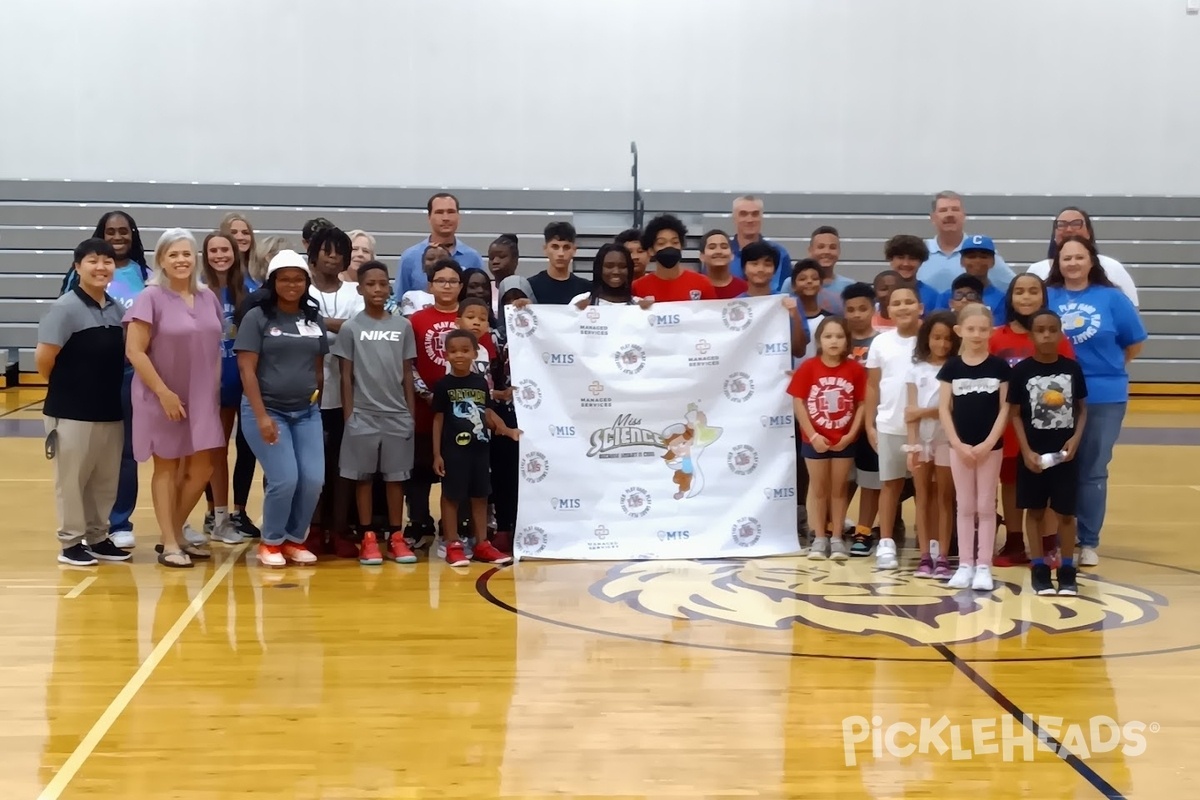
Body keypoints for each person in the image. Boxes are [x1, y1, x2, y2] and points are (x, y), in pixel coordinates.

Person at [124, 229, 225, 568]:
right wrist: (164, 393)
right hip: (160, 395)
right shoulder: (149, 297)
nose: (181, 260)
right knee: (166, 465)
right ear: (162, 261)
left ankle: (176, 531)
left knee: (203, 466)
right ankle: (169, 542)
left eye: (187, 253)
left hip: (201, 396)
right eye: (174, 254)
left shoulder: (208, 296)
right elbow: (135, 351)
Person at [1045, 235, 1146, 567]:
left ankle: (1088, 540)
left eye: (1079, 257)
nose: (1072, 263)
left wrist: (1108, 371)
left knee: (1092, 469)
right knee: (1057, 467)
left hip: (1104, 395)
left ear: (1092, 261)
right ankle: (1057, 536)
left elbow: (1133, 343)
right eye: (1066, 258)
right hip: (1055, 394)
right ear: (1057, 264)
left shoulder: (1112, 299)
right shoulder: (1048, 296)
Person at [37, 238, 132, 566]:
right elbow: (44, 360)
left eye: (107, 261)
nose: (101, 267)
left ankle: (98, 536)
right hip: (70, 412)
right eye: (93, 261)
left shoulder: (118, 309)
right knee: (72, 480)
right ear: (78, 267)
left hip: (109, 410)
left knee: (104, 480)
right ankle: (70, 543)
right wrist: (70, 389)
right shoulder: (64, 308)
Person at [62, 211, 149, 551]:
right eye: (110, 231)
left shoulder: (145, 274)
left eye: (123, 231)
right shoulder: (79, 276)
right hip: (92, 376)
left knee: (125, 452)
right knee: (86, 455)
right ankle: (82, 528)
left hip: (131, 373)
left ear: (133, 235)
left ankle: (119, 521)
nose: (117, 236)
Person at [235, 250, 327, 568]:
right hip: (267, 410)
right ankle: (271, 542)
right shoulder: (257, 318)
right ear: (273, 282)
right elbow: (247, 370)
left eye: (298, 278)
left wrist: (315, 400)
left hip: (306, 412)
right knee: (285, 479)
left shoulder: (313, 319)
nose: (292, 284)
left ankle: (293, 540)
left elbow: (318, 366)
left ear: (306, 282)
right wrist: (261, 416)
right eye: (285, 278)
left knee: (313, 480)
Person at [332, 260, 418, 566]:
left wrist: (410, 413)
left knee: (395, 480)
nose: (378, 289)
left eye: (383, 283)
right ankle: (368, 537)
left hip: (397, 415)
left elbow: (408, 373)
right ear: (360, 289)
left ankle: (396, 536)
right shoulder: (352, 328)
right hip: (363, 416)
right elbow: (346, 376)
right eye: (371, 284)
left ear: (390, 287)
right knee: (364, 479)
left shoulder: (403, 326)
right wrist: (349, 416)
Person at [989, 273, 1076, 567]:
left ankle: (1049, 543)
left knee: (1049, 484)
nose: (1026, 297)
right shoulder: (996, 337)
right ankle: (1014, 542)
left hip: (1048, 427)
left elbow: (1069, 382)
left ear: (1043, 297)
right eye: (1019, 292)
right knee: (1011, 483)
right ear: (1011, 298)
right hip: (1010, 427)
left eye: (1033, 291)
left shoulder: (1054, 336)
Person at [1008, 310, 1088, 597]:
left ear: (1060, 333)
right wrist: (1026, 450)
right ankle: (1039, 567)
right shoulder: (1021, 371)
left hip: (1065, 454)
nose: (1046, 335)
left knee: (1066, 512)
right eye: (1040, 330)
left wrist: (1076, 439)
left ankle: (1067, 569)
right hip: (1033, 454)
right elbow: (1014, 414)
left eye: (1052, 330)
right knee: (1035, 510)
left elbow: (1082, 409)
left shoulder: (1072, 369)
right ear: (1031, 335)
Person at [937, 303, 1011, 591]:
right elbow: (944, 408)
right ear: (959, 331)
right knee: (965, 505)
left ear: (991, 331)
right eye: (971, 329)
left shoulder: (999, 367)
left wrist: (990, 442)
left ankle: (984, 565)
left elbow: (1005, 408)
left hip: (990, 448)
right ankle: (965, 564)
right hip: (960, 448)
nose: (977, 334)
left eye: (983, 329)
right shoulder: (952, 367)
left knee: (986, 505)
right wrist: (956, 443)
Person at [432, 330, 521, 567]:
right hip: (453, 452)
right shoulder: (443, 385)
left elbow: (488, 413)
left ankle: (481, 543)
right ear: (446, 354)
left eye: (464, 350)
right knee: (451, 497)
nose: (459, 355)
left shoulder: (481, 383)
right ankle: (452, 543)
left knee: (480, 496)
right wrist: (437, 454)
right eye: (453, 351)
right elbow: (438, 420)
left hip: (480, 451)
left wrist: (507, 430)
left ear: (474, 353)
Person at [788, 317, 866, 562]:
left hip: (844, 440)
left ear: (847, 341)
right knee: (819, 489)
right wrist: (812, 435)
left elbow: (862, 404)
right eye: (828, 336)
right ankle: (819, 538)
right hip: (815, 440)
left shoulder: (855, 370)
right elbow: (798, 401)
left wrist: (851, 434)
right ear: (819, 340)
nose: (834, 341)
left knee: (839, 489)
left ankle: (837, 537)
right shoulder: (809, 367)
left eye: (839, 336)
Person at [408, 259, 472, 549]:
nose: (447, 286)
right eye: (441, 281)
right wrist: (427, 394)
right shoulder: (416, 320)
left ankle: (457, 526)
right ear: (429, 286)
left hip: (464, 413)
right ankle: (419, 522)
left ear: (461, 286)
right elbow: (408, 364)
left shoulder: (470, 317)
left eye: (453, 281)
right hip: (425, 409)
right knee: (420, 471)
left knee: (461, 469)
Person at [307, 226, 363, 553]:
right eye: (325, 250)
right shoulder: (301, 288)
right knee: (313, 466)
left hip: (348, 395)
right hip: (307, 394)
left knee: (343, 466)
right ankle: (313, 527)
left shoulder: (355, 292)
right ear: (313, 254)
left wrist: (318, 321)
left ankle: (340, 529)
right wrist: (336, 326)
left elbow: (359, 328)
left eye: (338, 250)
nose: (332, 256)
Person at [863, 282, 923, 568]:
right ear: (888, 310)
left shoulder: (930, 339)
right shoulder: (881, 343)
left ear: (920, 307)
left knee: (927, 488)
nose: (903, 307)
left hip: (926, 427)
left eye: (909, 302)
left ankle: (929, 544)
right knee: (890, 486)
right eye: (896, 303)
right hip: (889, 424)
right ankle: (886, 541)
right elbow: (872, 387)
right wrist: (870, 425)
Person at [199, 231, 251, 545]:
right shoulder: (197, 291)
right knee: (210, 453)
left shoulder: (247, 289)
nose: (220, 255)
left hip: (239, 382)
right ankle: (216, 517)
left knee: (227, 452)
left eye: (225, 249)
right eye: (214, 250)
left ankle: (224, 517)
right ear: (205, 255)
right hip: (206, 384)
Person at [905, 312, 958, 579]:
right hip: (921, 442)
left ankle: (943, 557)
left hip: (947, 440)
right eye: (937, 337)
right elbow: (909, 412)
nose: (942, 344)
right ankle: (925, 555)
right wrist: (913, 446)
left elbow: (948, 409)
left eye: (948, 339)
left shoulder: (957, 368)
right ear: (927, 338)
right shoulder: (916, 369)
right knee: (922, 497)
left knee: (945, 498)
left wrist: (922, 412)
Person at [1025, 207, 1139, 306]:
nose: (1068, 229)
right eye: (1061, 224)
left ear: (1089, 232)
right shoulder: (1036, 270)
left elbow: (1132, 311)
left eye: (1076, 223)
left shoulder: (1113, 267)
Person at [842, 282, 882, 554]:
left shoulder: (882, 342)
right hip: (840, 422)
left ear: (873, 309)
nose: (857, 314)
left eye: (863, 309)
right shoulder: (834, 339)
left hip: (874, 421)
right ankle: (833, 527)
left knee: (870, 479)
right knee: (842, 478)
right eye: (851, 310)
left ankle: (864, 531)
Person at [393, 193, 486, 300]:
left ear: (458, 216)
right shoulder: (410, 257)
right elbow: (399, 300)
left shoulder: (473, 258)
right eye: (439, 212)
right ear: (429, 217)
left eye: (451, 212)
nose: (445, 218)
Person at [921, 190, 1017, 292]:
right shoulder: (920, 251)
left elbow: (1012, 286)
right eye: (943, 210)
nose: (950, 215)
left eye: (955, 209)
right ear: (933, 218)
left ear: (964, 216)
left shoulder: (981, 250)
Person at [632, 214, 717, 302]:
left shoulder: (702, 283)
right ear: (651, 250)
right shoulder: (637, 287)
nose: (669, 246)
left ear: (681, 246)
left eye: (675, 242)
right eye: (661, 243)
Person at [728, 195, 792, 293]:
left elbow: (786, 293)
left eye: (755, 214)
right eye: (743, 214)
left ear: (761, 217)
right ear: (734, 218)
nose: (750, 220)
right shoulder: (723, 255)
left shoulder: (780, 253)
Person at [935, 235, 1005, 322]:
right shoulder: (945, 297)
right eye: (971, 256)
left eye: (983, 257)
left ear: (993, 261)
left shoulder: (1002, 299)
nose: (977, 261)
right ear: (962, 261)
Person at [528, 221, 591, 304]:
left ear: (574, 250)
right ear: (545, 249)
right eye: (555, 247)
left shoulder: (586, 289)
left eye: (566, 247)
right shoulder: (531, 286)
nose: (561, 253)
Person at [572, 244, 642, 307]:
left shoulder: (639, 306)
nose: (616, 272)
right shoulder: (580, 302)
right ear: (599, 269)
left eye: (622, 266)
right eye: (609, 266)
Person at [884, 235, 939, 313]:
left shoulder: (932, 295)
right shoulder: (881, 293)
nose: (906, 263)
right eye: (900, 257)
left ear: (921, 262)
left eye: (912, 258)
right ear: (891, 260)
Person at [809, 226, 852, 314]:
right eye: (821, 247)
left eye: (832, 247)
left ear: (839, 252)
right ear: (810, 251)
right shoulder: (792, 284)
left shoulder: (849, 286)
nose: (827, 252)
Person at [400, 244, 450, 317]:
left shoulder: (458, 296)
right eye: (430, 258)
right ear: (423, 266)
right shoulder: (411, 297)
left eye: (442, 258)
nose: (436, 262)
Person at [792, 259, 825, 361]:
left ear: (821, 284)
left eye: (814, 278)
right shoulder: (786, 318)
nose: (809, 281)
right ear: (793, 286)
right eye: (802, 279)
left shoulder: (828, 319)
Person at [220, 212, 267, 285]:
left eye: (245, 233)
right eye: (233, 232)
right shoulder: (217, 272)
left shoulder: (260, 269)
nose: (240, 237)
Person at [698, 230, 746, 299]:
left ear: (732, 255)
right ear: (702, 256)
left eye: (724, 247)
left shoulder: (744, 288)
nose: (719, 251)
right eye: (712, 247)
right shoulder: (694, 287)